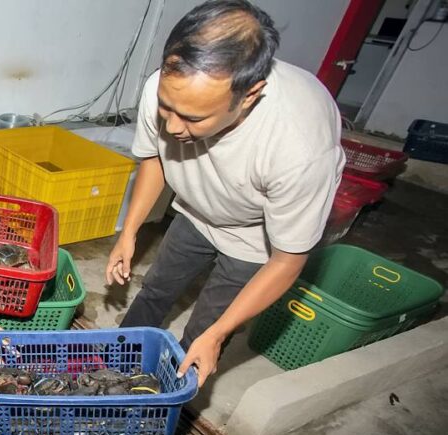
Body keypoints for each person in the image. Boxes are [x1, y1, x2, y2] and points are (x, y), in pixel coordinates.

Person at [105, 0, 344, 386]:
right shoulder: (167, 89)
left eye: (193, 118)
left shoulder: (299, 148)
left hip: (255, 238)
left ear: (249, 95)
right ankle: (111, 364)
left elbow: (288, 260)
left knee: (203, 332)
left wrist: (218, 336)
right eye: (167, 108)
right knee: (156, 289)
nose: (173, 126)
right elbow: (154, 160)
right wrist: (129, 232)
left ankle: (164, 396)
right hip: (196, 210)